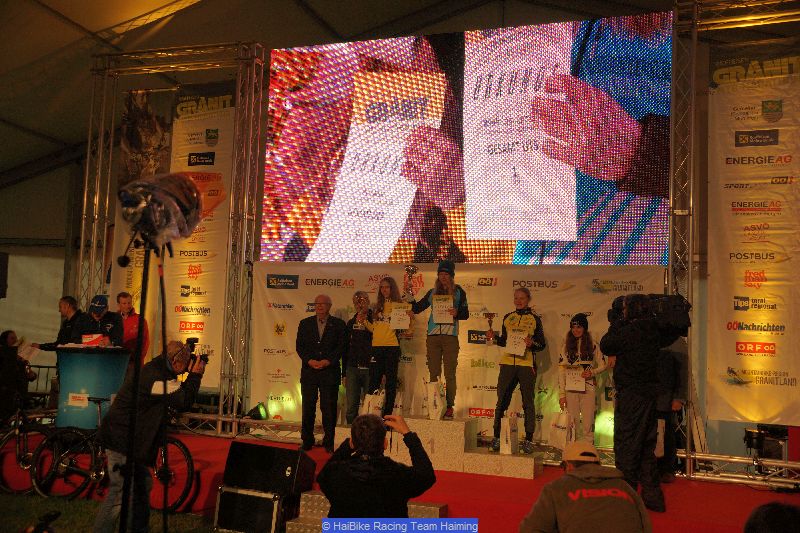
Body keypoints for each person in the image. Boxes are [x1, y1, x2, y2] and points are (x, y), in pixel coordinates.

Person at [94, 340, 205, 533]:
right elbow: (183, 400)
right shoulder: (156, 377)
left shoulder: (157, 370)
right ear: (175, 361)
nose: (185, 368)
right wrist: (195, 376)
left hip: (126, 438)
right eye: (184, 364)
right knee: (120, 492)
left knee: (142, 484)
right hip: (121, 438)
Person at [599, 294, 683, 512]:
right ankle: (653, 497)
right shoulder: (653, 330)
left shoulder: (629, 331)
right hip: (649, 397)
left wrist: (616, 323)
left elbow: (606, 345)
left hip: (631, 397)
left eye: (625, 308)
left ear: (632, 309)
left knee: (627, 446)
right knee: (647, 448)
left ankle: (625, 500)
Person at [519, 441, 651, 533]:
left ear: (569, 466)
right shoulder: (624, 486)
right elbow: (645, 525)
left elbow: (529, 529)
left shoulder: (556, 488)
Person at [318, 414, 435, 518]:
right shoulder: (397, 475)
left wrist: (346, 447)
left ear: (352, 442)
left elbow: (323, 475)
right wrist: (408, 435)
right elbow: (427, 475)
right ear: (385, 443)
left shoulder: (336, 474)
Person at [485, 287, 545, 454]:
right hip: (507, 364)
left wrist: (532, 344)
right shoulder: (508, 317)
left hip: (526, 365)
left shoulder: (534, 319)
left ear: (528, 299)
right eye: (516, 298)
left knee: (528, 403)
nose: (518, 301)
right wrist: (494, 337)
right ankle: (497, 437)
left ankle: (528, 440)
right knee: (501, 402)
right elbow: (505, 341)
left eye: (522, 298)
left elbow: (542, 344)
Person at [408, 260, 469, 419]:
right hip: (433, 337)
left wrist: (457, 313)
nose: (443, 277)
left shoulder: (459, 292)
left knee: (450, 374)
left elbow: (466, 314)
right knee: (434, 373)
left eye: (446, 274)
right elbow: (417, 308)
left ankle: (449, 406)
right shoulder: (432, 292)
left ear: (451, 276)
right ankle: (435, 404)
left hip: (450, 337)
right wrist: (410, 298)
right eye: (441, 274)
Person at [296, 294, 348, 452]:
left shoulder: (339, 324)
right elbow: (299, 346)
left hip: (329, 373)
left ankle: (329, 443)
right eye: (317, 303)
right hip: (309, 373)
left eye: (323, 303)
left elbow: (342, 347)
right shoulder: (305, 323)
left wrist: (328, 361)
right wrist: (309, 360)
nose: (319, 306)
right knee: (308, 408)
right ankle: (307, 441)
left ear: (329, 306)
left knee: (329, 409)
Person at [557, 313, 607, 444]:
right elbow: (561, 370)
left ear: (584, 328)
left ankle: (588, 450)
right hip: (571, 388)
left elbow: (603, 365)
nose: (576, 330)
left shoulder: (593, 344)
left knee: (588, 422)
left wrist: (592, 372)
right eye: (573, 327)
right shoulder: (565, 345)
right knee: (572, 423)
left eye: (579, 327)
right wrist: (562, 394)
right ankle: (572, 450)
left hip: (588, 387)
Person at [365, 277, 404, 417]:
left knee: (390, 383)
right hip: (377, 347)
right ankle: (372, 415)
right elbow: (374, 328)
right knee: (374, 381)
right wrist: (364, 322)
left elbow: (405, 326)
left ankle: (387, 416)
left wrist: (409, 318)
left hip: (392, 346)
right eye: (382, 287)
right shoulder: (376, 306)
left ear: (392, 288)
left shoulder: (399, 305)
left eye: (387, 287)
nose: (384, 290)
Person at [655, 336, 688, 483]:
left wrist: (679, 398)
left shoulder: (677, 341)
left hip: (666, 398)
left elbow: (683, 372)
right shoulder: (647, 336)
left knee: (666, 434)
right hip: (647, 397)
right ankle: (651, 469)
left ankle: (667, 469)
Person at [344, 291, 373, 425]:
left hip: (370, 368)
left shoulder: (376, 319)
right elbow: (345, 348)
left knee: (370, 406)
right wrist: (344, 373)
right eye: (357, 302)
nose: (360, 305)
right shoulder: (350, 323)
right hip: (352, 369)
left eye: (362, 301)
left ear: (368, 302)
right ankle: (351, 433)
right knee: (351, 407)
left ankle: (370, 433)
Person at [0, 330, 37, 423]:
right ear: (5, 340)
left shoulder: (21, 358)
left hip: (21, 394)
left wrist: (31, 374)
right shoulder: (2, 355)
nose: (15, 341)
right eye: (12, 338)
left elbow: (28, 373)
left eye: (16, 338)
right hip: (7, 395)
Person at [117, 292, 150, 364]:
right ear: (119, 305)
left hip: (134, 361)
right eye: (124, 303)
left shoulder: (140, 319)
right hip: (117, 360)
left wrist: (138, 358)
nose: (127, 306)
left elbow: (145, 341)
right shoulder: (114, 319)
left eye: (129, 303)